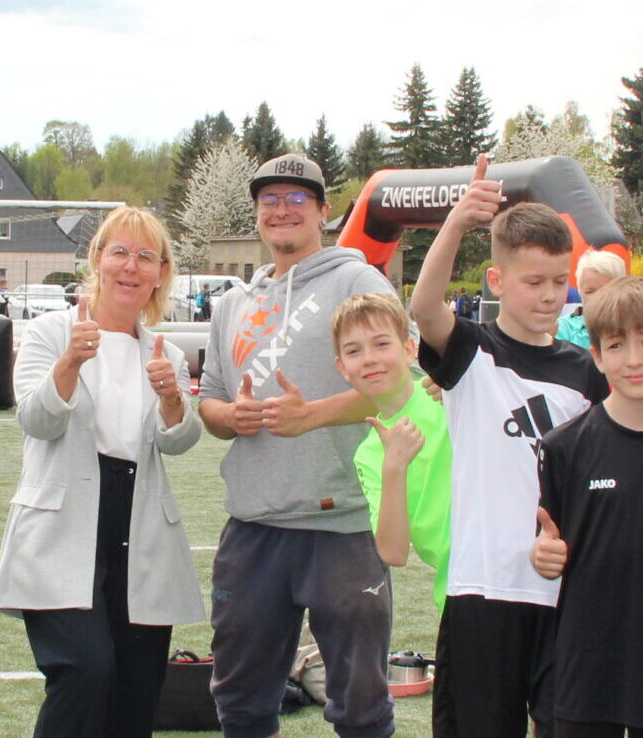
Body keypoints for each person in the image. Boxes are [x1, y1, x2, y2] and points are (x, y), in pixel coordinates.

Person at [406, 158, 610, 735]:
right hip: (483, 588)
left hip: (562, 590)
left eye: (558, 280)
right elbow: (423, 308)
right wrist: (456, 224)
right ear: (496, 282)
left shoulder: (586, 372)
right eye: (533, 281)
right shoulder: (472, 353)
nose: (550, 295)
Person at [198, 152, 398, 738]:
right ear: (257, 214)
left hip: (343, 525)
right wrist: (227, 416)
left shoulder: (357, 280)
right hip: (254, 526)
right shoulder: (233, 304)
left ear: (323, 211)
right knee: (240, 702)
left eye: (296, 199)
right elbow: (208, 398)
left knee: (360, 708)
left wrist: (311, 416)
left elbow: (400, 386)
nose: (282, 210)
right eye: (270, 200)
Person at [0, 207, 204, 737]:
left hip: (141, 532)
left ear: (161, 272)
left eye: (146, 257)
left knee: (136, 689)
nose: (131, 267)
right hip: (63, 529)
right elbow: (36, 421)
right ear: (97, 260)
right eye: (120, 252)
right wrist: (69, 363)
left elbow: (178, 442)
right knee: (84, 672)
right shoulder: (47, 334)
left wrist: (173, 399)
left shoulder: (165, 354)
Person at [534, 278, 643, 737]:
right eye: (617, 345)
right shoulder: (564, 447)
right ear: (597, 357)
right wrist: (543, 554)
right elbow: (547, 537)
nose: (634, 360)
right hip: (587, 659)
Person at [342, 293, 455, 607]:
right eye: (354, 350)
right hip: (457, 592)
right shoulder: (368, 453)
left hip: (529, 568)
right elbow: (393, 552)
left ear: (409, 349)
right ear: (342, 367)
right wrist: (395, 464)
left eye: (381, 344)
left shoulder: (446, 393)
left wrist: (464, 390)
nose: (369, 359)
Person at [556, 249, 627, 349]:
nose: (598, 298)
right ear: (580, 291)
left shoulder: (632, 328)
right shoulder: (563, 330)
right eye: (590, 292)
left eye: (606, 291)